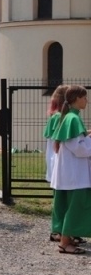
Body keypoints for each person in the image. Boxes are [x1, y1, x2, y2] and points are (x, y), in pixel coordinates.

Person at [49, 85, 91, 254]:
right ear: (76, 99)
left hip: (69, 173)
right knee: (76, 206)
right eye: (84, 97)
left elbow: (75, 142)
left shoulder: (69, 117)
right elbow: (78, 148)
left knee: (67, 206)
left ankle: (67, 238)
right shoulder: (73, 119)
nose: (87, 100)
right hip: (75, 175)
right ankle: (65, 243)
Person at [43, 85, 82, 243]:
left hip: (59, 161)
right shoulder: (58, 117)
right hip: (57, 161)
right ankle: (58, 230)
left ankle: (67, 230)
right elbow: (61, 139)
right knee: (60, 200)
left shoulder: (64, 116)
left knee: (65, 199)